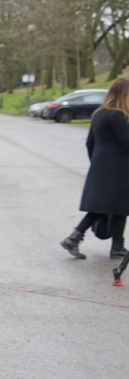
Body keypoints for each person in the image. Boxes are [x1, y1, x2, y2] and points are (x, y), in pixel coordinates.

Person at [60, 77, 129, 260]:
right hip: (119, 169)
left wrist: (98, 163)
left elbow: (90, 143)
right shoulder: (119, 115)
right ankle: (75, 238)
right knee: (115, 207)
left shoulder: (99, 113)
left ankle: (116, 246)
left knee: (114, 206)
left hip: (102, 167)